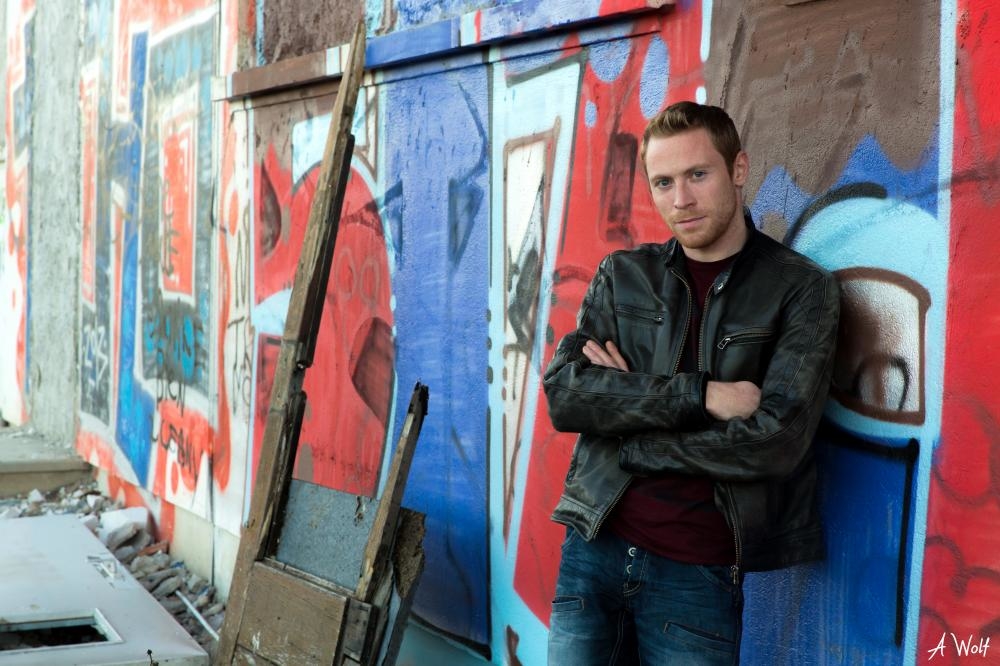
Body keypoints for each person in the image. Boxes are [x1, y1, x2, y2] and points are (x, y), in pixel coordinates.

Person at [543, 101, 840, 665]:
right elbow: (566, 395)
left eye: (697, 175)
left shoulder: (800, 290)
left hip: (697, 575)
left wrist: (635, 434)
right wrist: (703, 396)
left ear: (738, 169)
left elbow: (775, 441)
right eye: (663, 182)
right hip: (592, 551)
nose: (680, 199)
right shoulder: (624, 276)